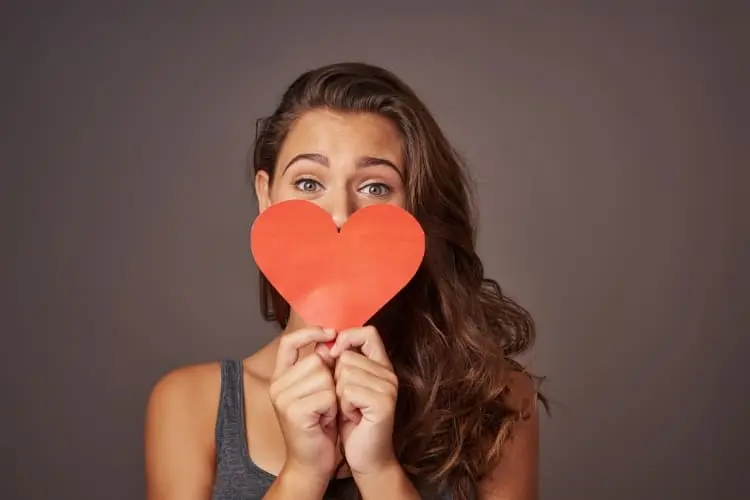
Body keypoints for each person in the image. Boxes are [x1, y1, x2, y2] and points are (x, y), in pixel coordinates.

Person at [144, 62, 544, 500]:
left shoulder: (495, 398)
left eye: (375, 187)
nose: (339, 214)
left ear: (414, 209)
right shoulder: (190, 403)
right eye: (309, 182)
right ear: (266, 195)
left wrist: (378, 470)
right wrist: (302, 473)